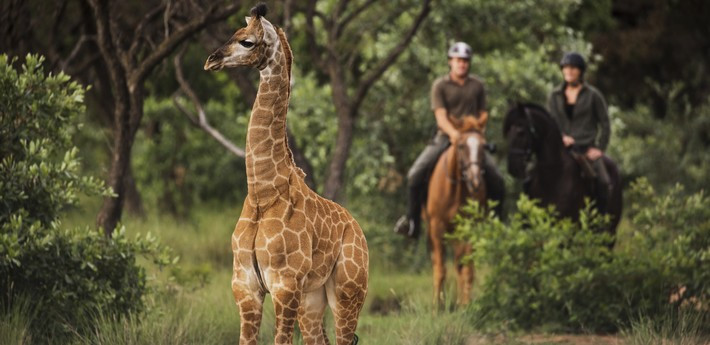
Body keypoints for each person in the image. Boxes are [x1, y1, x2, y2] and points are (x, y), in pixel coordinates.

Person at [394, 42, 505, 238]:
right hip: (446, 137)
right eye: (458, 60)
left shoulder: (477, 85)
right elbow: (441, 116)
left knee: (497, 177)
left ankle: (497, 224)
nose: (462, 64)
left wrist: (478, 132)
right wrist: (454, 134)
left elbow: (483, 114)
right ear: (450, 62)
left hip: (471, 140)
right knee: (415, 174)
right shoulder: (440, 85)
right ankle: (412, 222)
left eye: (465, 61)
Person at [547, 52, 612, 212]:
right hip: (561, 149)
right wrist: (561, 137)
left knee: (603, 181)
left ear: (580, 71)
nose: (569, 71)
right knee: (534, 174)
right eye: (566, 68)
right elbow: (551, 123)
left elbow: (605, 124)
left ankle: (601, 219)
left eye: (573, 68)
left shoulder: (593, 95)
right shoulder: (554, 95)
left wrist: (599, 149)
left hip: (585, 149)